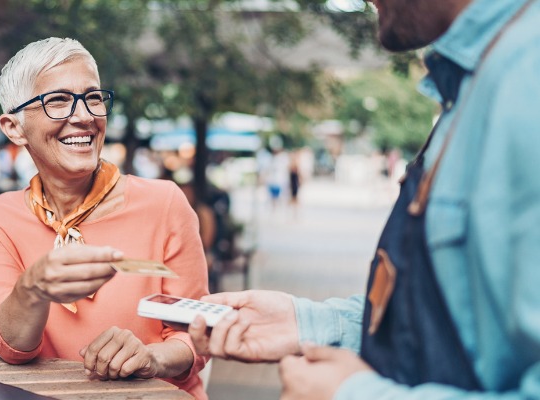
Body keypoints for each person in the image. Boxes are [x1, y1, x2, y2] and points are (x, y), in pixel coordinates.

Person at [187, 0, 540, 399]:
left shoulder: (527, 75)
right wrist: (306, 323)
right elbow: (464, 327)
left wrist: (352, 393)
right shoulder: (481, 79)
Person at [0, 37, 209, 399]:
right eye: (57, 101)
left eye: (93, 97)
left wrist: (150, 357)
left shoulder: (164, 202)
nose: (84, 116)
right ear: (14, 127)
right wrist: (33, 288)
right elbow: (11, 348)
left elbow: (196, 334)